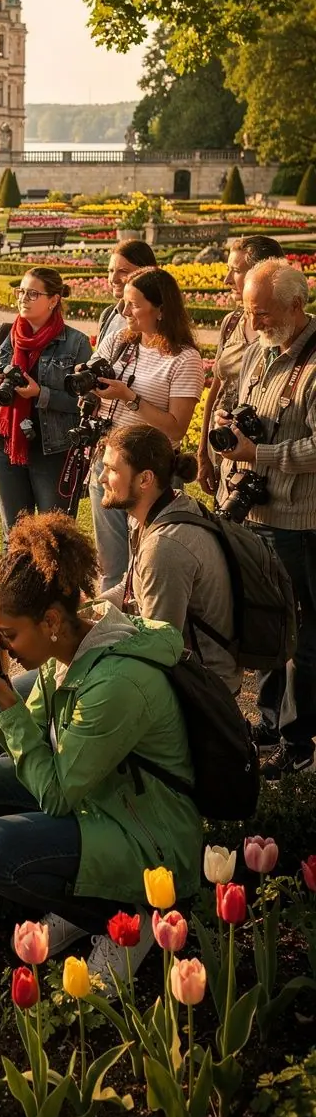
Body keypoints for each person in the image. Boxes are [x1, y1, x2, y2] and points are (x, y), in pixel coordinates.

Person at [0, 511, 202, 984]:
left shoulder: (116, 681)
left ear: (52, 620)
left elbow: (58, 795)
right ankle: (79, 898)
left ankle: (131, 920)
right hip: (101, 801)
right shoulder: (66, 650)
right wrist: (0, 685)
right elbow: (34, 735)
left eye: (9, 634)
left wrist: (5, 702)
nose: (5, 645)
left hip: (149, 833)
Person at [214, 259, 316, 775]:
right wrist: (228, 425)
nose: (252, 323)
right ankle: (272, 721)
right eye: (249, 312)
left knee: (304, 633)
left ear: (297, 306)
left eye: (263, 312)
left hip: (300, 521)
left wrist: (261, 455)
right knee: (271, 625)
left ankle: (300, 740)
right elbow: (235, 401)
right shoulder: (259, 349)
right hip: (254, 510)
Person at [98, 424, 240, 694]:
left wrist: (83, 635)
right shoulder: (162, 510)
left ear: (145, 479)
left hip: (201, 691)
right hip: (181, 669)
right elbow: (131, 589)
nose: (101, 478)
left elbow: (157, 647)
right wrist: (81, 610)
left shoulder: (164, 547)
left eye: (113, 469)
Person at [87, 267, 204, 591]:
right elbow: (89, 382)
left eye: (133, 304)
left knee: (150, 562)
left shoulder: (185, 359)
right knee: (111, 566)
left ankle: (150, 634)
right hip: (108, 465)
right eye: (123, 303)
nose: (124, 311)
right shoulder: (119, 342)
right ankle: (115, 636)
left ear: (161, 309)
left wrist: (129, 396)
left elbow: (177, 428)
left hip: (150, 474)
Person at [0, 268, 91, 541]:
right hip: (7, 447)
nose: (23, 298)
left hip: (54, 452)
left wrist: (41, 394)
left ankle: (56, 586)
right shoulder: (3, 334)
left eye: (33, 293)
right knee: (14, 539)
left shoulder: (75, 343)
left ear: (53, 300)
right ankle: (15, 585)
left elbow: (87, 402)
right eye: (22, 291)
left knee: (55, 538)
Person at [197, 235, 285, 495]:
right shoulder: (232, 322)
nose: (226, 280)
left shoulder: (283, 327)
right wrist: (204, 452)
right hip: (223, 444)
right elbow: (217, 388)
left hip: (263, 451)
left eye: (235, 271)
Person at [95, 240, 157, 349]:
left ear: (145, 272)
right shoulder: (108, 314)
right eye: (110, 270)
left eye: (123, 271)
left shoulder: (156, 319)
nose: (113, 279)